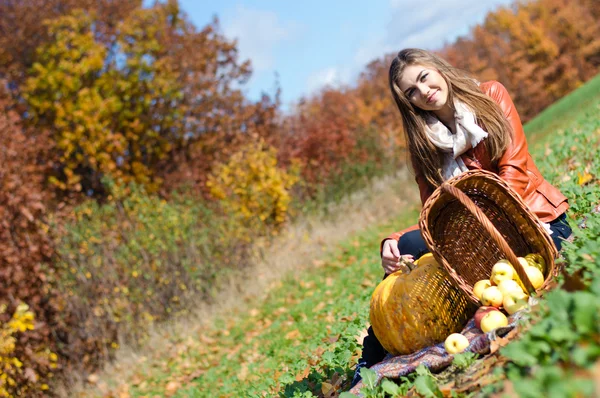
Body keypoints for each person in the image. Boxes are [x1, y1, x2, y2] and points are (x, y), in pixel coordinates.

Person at [350, 48, 572, 387]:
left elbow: (516, 169)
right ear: (408, 102)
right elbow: (433, 214)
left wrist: (476, 223)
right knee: (408, 246)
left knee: (531, 267)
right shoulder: (423, 145)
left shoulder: (491, 95)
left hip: (531, 219)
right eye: (411, 91)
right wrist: (393, 240)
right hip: (475, 242)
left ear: (437, 69)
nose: (422, 91)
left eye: (423, 78)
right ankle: (370, 358)